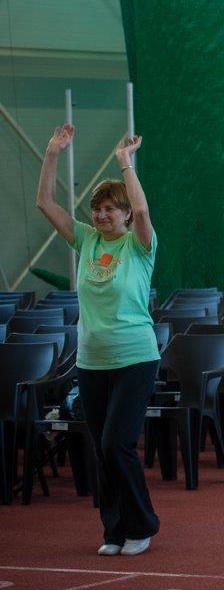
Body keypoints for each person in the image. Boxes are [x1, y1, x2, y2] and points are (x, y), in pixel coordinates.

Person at [37, 126, 160, 557]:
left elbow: (144, 213)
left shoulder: (139, 246)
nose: (102, 215)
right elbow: (45, 204)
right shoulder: (86, 240)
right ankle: (114, 530)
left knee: (116, 442)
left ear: (124, 215)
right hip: (92, 361)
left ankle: (142, 524)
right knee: (99, 448)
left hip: (136, 357)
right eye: (97, 209)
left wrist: (125, 163)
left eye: (110, 209)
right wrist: (52, 153)